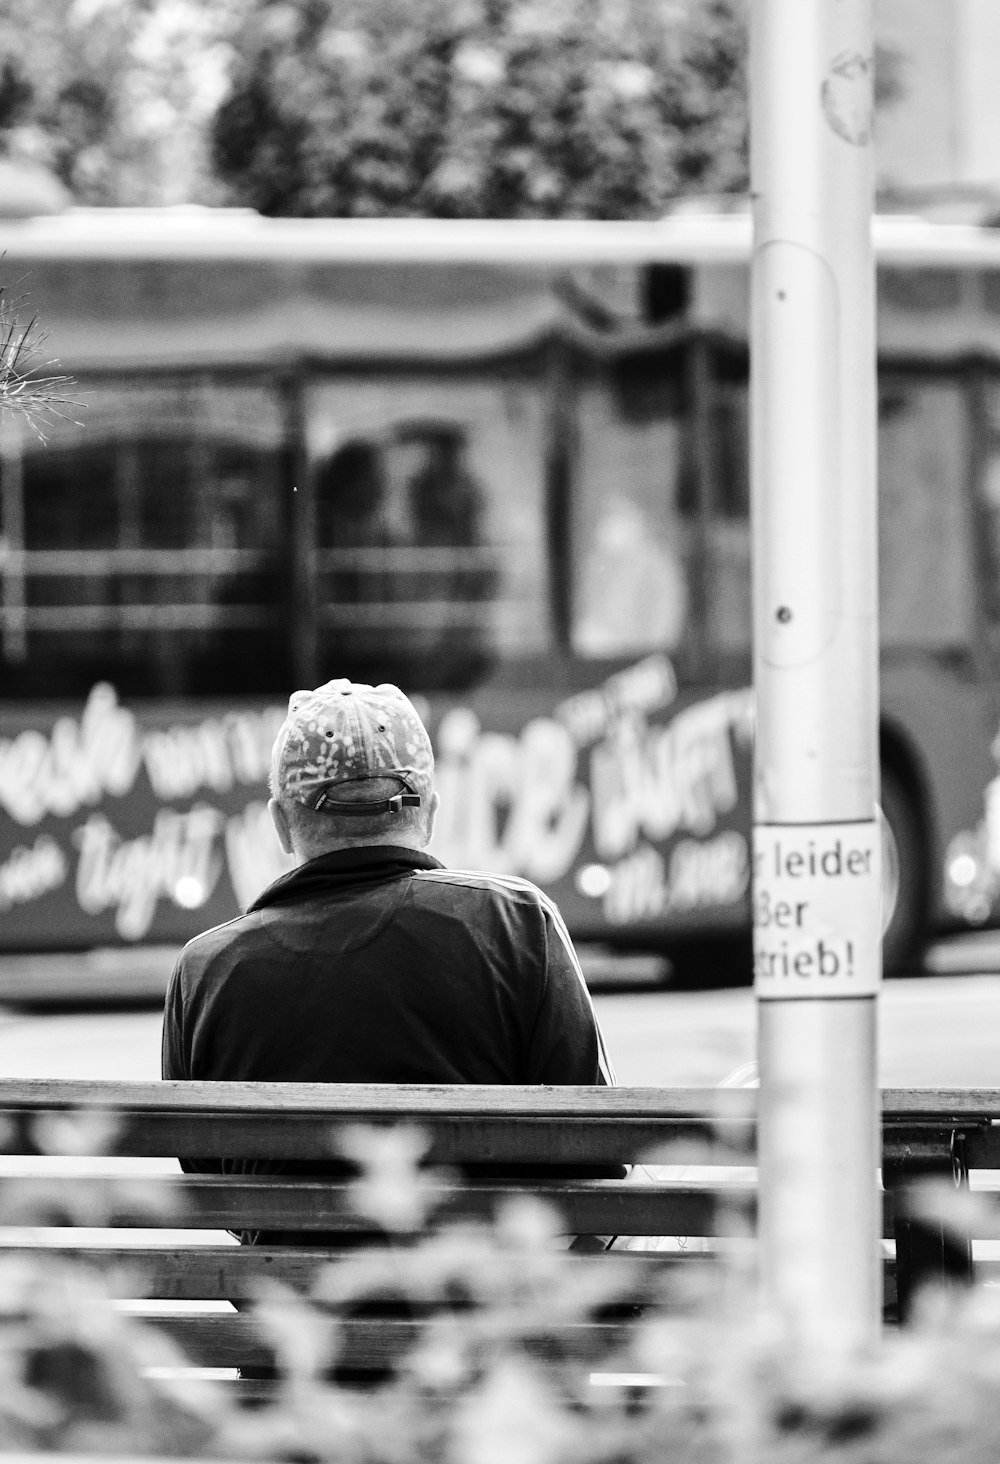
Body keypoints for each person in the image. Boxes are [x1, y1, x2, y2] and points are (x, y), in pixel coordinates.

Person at [161, 677, 619, 1208]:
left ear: (282, 824)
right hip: (482, 1284)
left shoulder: (206, 968)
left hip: (285, 1286)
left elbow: (205, 1166)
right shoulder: (517, 922)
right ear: (429, 812)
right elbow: (596, 1149)